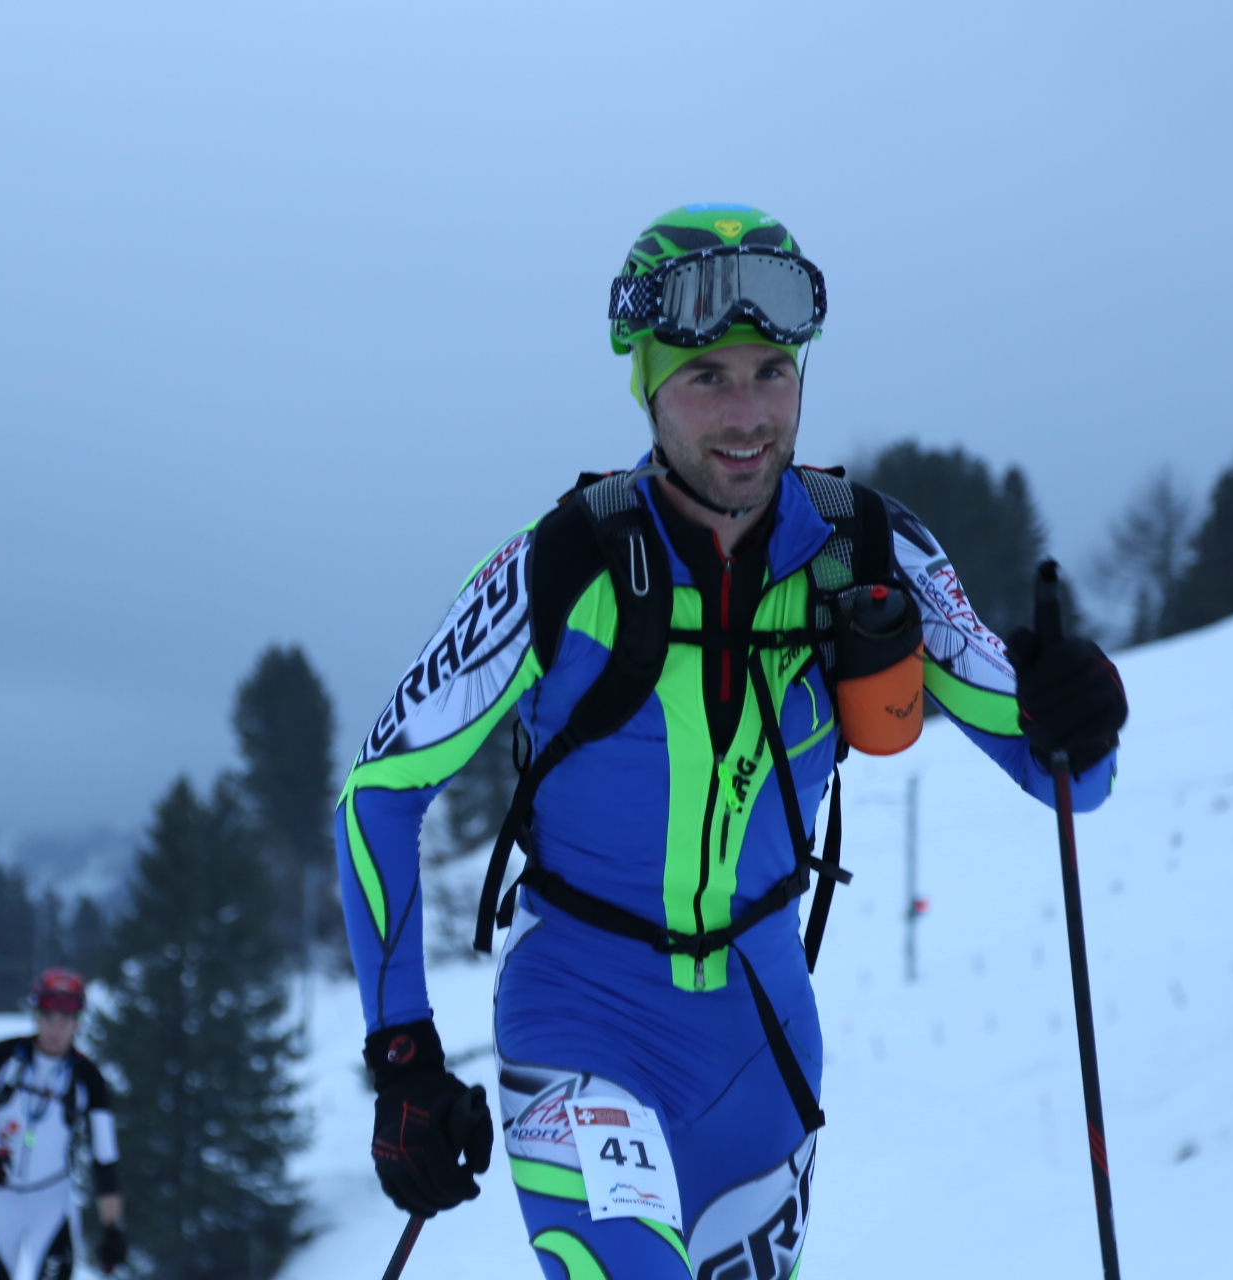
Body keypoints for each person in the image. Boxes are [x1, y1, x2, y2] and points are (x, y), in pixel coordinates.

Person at [335, 203, 1128, 1279]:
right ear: (647, 386)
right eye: (707, 376)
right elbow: (380, 790)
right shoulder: (563, 564)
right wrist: (403, 1056)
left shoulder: (866, 551)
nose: (748, 413)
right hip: (580, 1010)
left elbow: (1066, 774)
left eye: (773, 372)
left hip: (760, 1043)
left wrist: (1081, 710)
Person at [0, 968, 129, 1280]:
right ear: (36, 1016)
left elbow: (105, 1158)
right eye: (48, 1018)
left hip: (52, 1204)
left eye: (65, 1020)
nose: (56, 1029)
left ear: (77, 1022)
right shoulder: (3, 1056)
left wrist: (113, 1229)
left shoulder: (88, 1078)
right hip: (0, 1201)